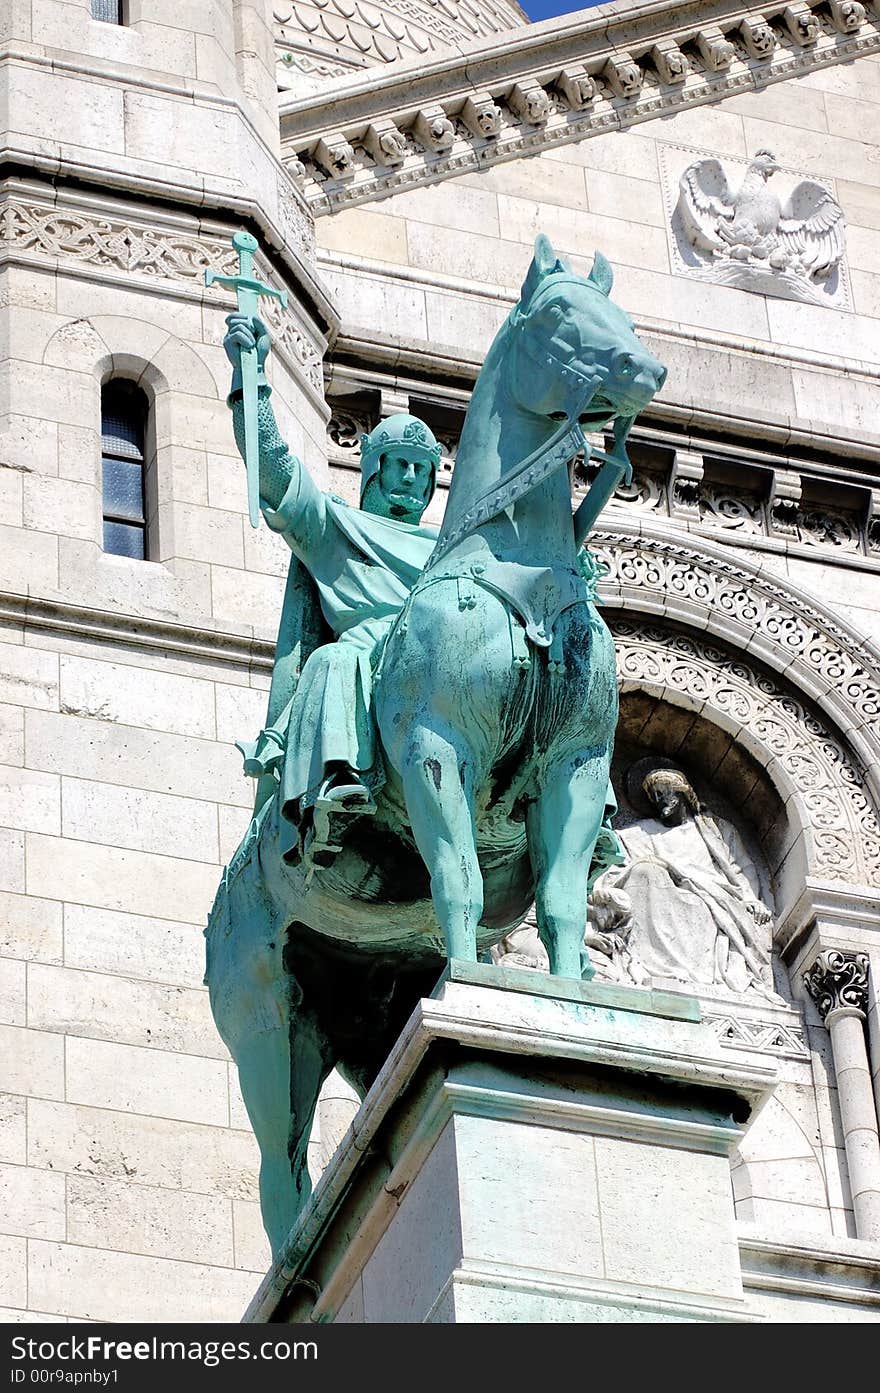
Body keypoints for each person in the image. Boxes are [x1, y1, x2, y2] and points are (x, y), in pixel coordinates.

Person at [224, 313, 442, 867]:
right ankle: (338, 788)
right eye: (399, 465)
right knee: (337, 660)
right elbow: (275, 474)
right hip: (372, 655)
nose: (411, 479)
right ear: (373, 471)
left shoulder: (453, 544)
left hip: (446, 662)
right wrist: (250, 383)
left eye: (422, 469)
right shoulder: (337, 526)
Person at [590, 763, 778, 997]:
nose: (660, 799)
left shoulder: (715, 830)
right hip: (658, 898)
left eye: (666, 791)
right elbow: (614, 863)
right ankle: (658, 968)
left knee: (669, 885)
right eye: (655, 794)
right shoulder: (639, 833)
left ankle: (697, 974)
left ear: (683, 793)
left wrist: (751, 898)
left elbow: (742, 868)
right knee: (645, 871)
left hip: (711, 899)